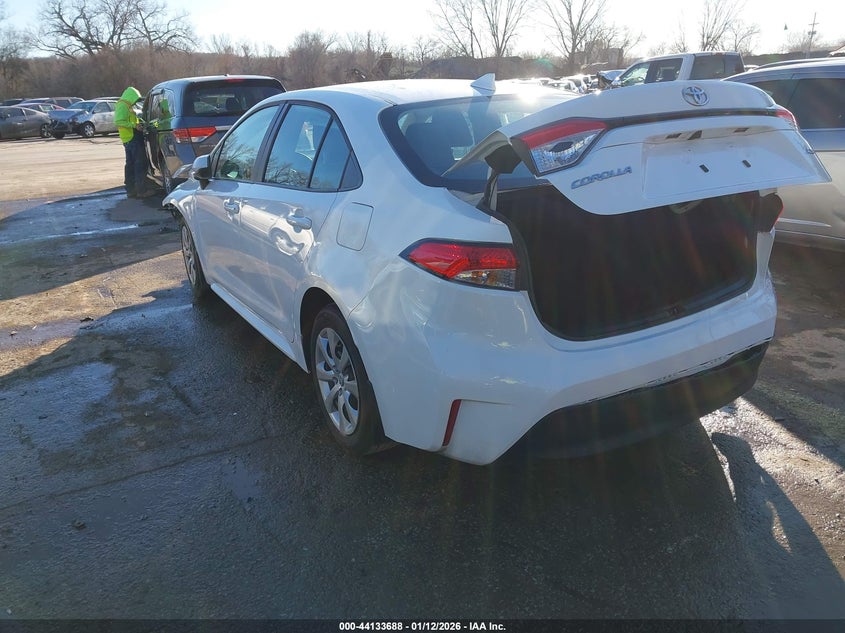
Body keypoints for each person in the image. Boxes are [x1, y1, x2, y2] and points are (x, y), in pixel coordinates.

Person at [115, 86, 155, 198]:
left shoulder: (126, 105)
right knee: (139, 164)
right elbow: (118, 121)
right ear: (131, 97)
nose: (135, 102)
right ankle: (141, 191)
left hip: (129, 138)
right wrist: (134, 126)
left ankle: (131, 190)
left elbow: (131, 119)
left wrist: (139, 122)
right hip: (131, 138)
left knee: (131, 165)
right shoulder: (123, 106)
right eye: (135, 99)